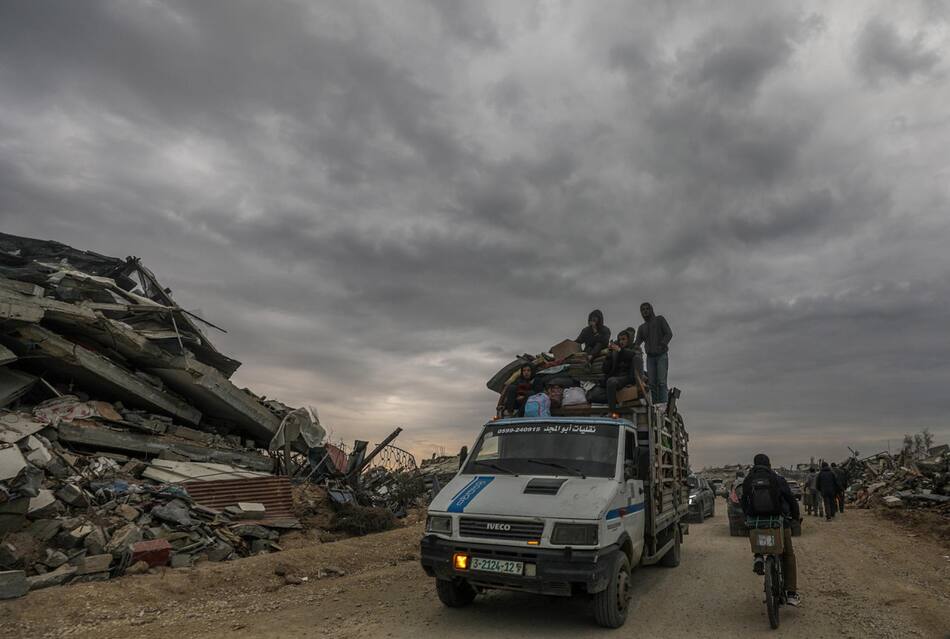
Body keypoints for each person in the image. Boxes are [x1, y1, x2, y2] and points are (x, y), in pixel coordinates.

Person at [741, 453, 801, 607]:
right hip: (778, 521)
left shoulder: (748, 480)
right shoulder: (777, 479)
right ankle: (791, 593)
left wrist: (746, 517)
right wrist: (795, 518)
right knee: (788, 554)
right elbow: (791, 499)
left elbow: (744, 502)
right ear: (769, 464)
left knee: (756, 536)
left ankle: (759, 556)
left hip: (756, 522)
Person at [633, 302, 672, 406]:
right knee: (652, 383)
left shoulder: (660, 320)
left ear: (651, 309)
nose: (645, 311)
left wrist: (662, 345)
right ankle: (655, 405)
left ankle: (663, 405)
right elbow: (637, 343)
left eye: (647, 309)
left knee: (661, 381)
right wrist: (633, 349)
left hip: (661, 355)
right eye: (643, 310)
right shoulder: (642, 327)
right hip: (650, 357)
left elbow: (669, 333)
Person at [601, 330, 643, 411]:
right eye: (620, 340)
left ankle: (612, 411)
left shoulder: (635, 348)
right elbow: (605, 370)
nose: (621, 341)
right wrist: (609, 356)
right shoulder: (615, 351)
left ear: (628, 340)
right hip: (618, 377)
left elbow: (632, 355)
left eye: (624, 339)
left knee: (611, 381)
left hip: (628, 377)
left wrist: (620, 350)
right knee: (597, 392)